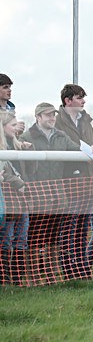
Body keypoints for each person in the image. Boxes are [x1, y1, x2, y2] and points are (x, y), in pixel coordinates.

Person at [55, 84, 93, 280]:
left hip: (88, 184)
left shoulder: (86, 122)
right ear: (68, 100)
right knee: (69, 230)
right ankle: (69, 272)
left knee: (81, 231)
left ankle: (81, 271)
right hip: (68, 184)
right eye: (79, 98)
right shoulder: (58, 122)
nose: (83, 101)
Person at [21, 103, 80, 283]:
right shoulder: (26, 136)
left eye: (53, 115)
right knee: (34, 237)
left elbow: (77, 149)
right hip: (36, 195)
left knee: (54, 237)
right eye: (47, 115)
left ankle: (51, 275)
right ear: (38, 117)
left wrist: (91, 148)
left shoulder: (61, 136)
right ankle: (33, 277)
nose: (52, 118)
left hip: (57, 195)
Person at [0, 112, 29, 285]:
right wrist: (18, 182)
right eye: (13, 124)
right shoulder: (3, 149)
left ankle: (18, 280)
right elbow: (5, 175)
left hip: (21, 200)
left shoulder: (19, 146)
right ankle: (5, 279)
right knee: (7, 239)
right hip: (8, 199)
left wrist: (29, 150)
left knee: (21, 239)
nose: (17, 127)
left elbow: (30, 170)